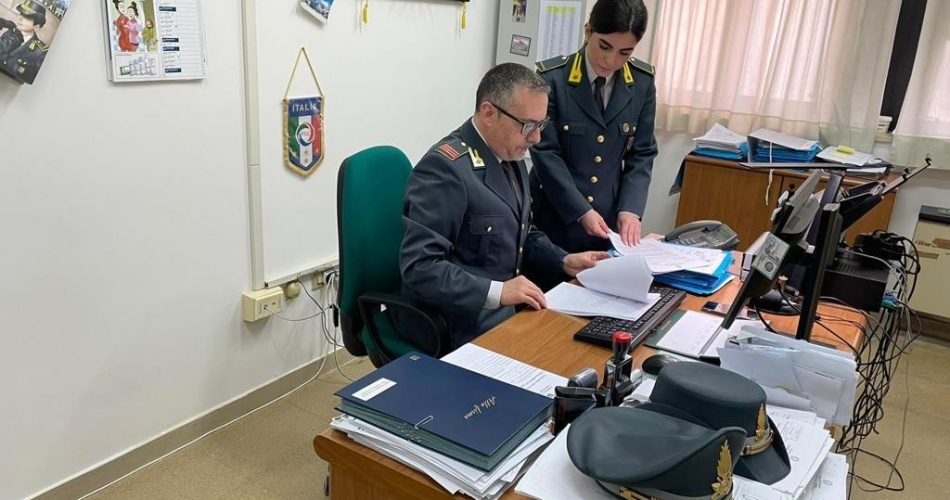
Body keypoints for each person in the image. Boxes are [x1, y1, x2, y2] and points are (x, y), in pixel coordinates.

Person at [396, 63, 610, 352]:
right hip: (455, 321)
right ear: (489, 113)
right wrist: (498, 291)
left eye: (541, 125)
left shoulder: (509, 155)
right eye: (528, 126)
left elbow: (522, 231)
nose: (536, 138)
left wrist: (563, 260)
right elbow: (420, 268)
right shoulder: (445, 170)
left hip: (504, 312)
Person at [530, 0, 658, 254]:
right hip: (554, 218)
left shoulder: (642, 83)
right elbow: (545, 152)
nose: (610, 60)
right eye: (604, 46)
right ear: (588, 31)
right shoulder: (552, 79)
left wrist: (630, 209)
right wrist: (581, 211)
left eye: (624, 52)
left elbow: (642, 153)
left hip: (607, 223)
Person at [0, 0, 48, 84]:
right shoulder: (10, 33)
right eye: (21, 14)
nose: (20, 18)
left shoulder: (39, 52)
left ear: (37, 26)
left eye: (27, 17)